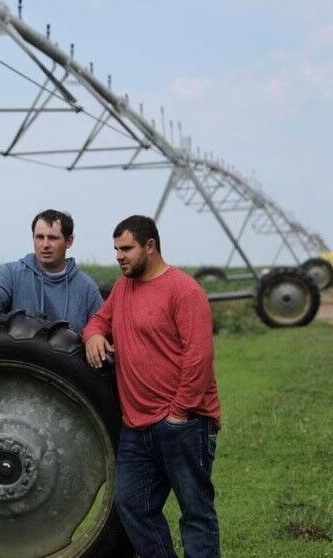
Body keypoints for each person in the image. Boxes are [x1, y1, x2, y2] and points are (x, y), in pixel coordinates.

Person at [83, 215, 222, 558]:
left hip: (183, 422)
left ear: (150, 246)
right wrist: (94, 334)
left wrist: (179, 413)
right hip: (136, 426)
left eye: (126, 248)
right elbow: (100, 320)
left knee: (195, 511)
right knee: (131, 504)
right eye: (116, 249)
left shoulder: (184, 290)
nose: (119, 256)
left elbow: (199, 356)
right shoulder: (123, 288)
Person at [0, 209, 103, 334]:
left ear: (69, 241)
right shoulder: (12, 273)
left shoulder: (87, 288)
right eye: (40, 237)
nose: (45, 245)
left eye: (52, 238)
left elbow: (101, 326)